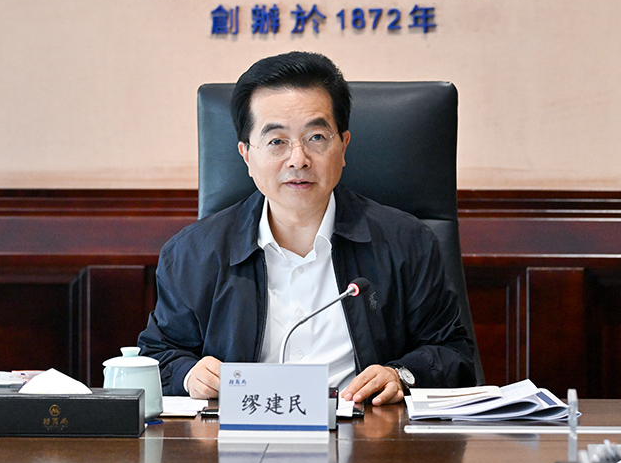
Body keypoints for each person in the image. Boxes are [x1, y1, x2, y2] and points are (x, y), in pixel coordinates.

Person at [138, 51, 476, 405]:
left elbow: (453, 353)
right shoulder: (192, 254)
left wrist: (400, 375)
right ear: (246, 155)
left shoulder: (406, 243)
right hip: (240, 432)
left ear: (343, 146)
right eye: (276, 141)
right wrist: (189, 374)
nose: (298, 159)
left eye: (316, 137)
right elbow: (157, 356)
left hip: (365, 431)